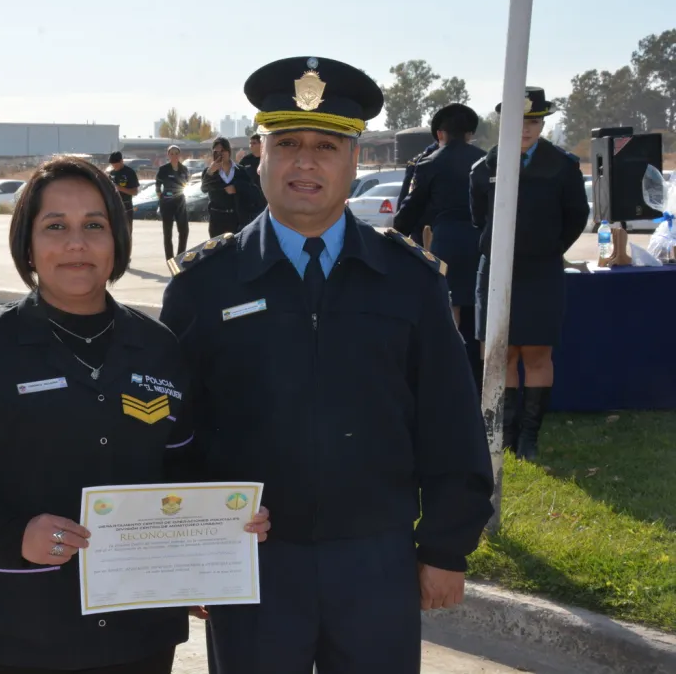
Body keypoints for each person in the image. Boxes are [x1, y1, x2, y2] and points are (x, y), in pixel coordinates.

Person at [160, 55, 495, 674]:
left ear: (354, 159)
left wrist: (447, 546)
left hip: (377, 560)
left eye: (326, 146)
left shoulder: (409, 280)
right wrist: (192, 547)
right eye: (287, 144)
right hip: (252, 559)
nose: (306, 163)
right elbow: (176, 430)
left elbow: (449, 421)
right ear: (260, 154)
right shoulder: (204, 285)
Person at [0, 155, 269, 674]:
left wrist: (216, 533)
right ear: (27, 244)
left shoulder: (158, 348)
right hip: (13, 628)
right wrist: (13, 533)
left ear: (117, 239)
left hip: (136, 629)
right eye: (56, 226)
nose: (77, 243)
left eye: (94, 225)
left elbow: (180, 466)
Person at [470, 87, 589, 461]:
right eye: (518, 121)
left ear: (542, 125)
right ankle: (504, 435)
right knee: (500, 353)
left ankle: (528, 438)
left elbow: (576, 217)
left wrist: (548, 247)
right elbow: (478, 218)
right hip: (496, 270)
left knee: (536, 353)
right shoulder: (484, 167)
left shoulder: (563, 166)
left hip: (540, 271)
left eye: (534, 122)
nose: (525, 129)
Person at [393, 103, 486, 330]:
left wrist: (397, 234)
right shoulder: (487, 162)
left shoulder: (429, 163)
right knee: (482, 307)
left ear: (440, 134)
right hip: (483, 244)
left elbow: (412, 205)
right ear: (469, 135)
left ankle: (451, 352)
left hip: (445, 242)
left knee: (448, 306)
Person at [201, 136, 263, 236]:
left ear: (229, 151)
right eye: (216, 152)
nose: (220, 154)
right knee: (217, 246)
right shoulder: (210, 172)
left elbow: (254, 191)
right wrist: (210, 172)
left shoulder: (240, 170)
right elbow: (204, 188)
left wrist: (237, 187)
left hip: (237, 219)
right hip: (217, 220)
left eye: (223, 151)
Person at [155, 145, 190, 262]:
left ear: (180, 155)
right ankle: (170, 258)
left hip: (180, 201)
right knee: (168, 232)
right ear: (168, 155)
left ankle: (180, 256)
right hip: (167, 202)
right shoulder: (163, 169)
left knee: (184, 231)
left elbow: (187, 182)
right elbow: (158, 185)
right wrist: (161, 195)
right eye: (172, 153)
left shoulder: (184, 169)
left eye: (176, 153)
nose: (174, 155)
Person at [107, 151, 139, 231]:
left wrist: (119, 188)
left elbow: (135, 192)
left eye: (116, 164)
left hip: (126, 206)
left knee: (126, 231)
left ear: (121, 161)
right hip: (114, 206)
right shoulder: (112, 173)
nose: (114, 166)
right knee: (114, 231)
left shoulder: (129, 172)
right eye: (112, 164)